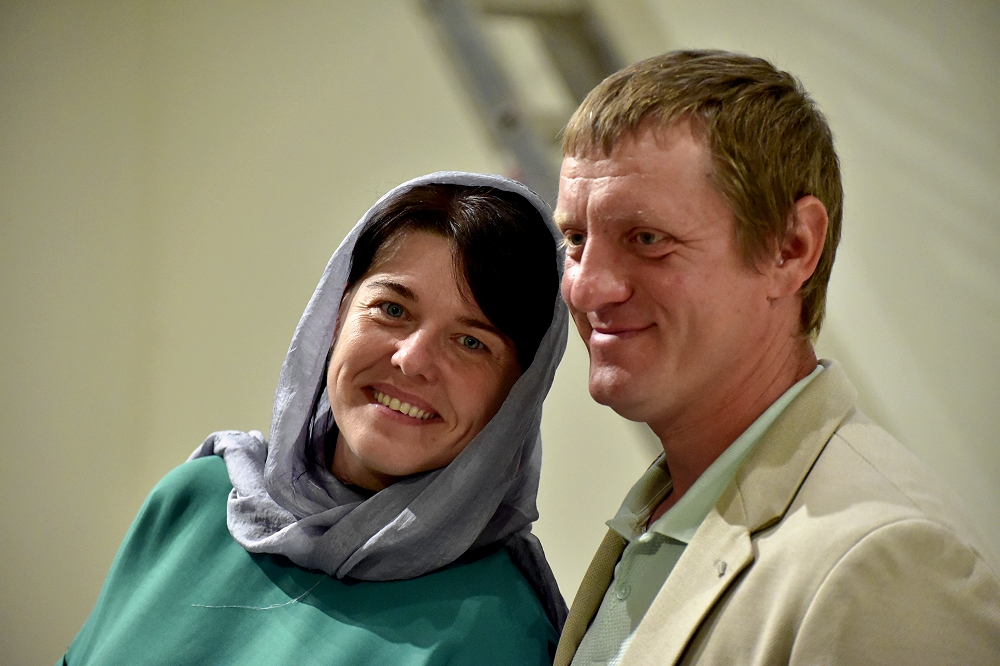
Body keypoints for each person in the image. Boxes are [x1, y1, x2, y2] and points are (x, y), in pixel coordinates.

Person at [551, 50, 1000, 665]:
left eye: (647, 239)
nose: (586, 288)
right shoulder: (662, 514)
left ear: (791, 248)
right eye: (576, 239)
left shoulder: (886, 563)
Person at [61, 172, 569, 665]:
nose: (412, 359)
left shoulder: (499, 631)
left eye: (471, 342)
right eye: (393, 310)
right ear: (339, 312)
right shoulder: (195, 502)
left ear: (519, 395)